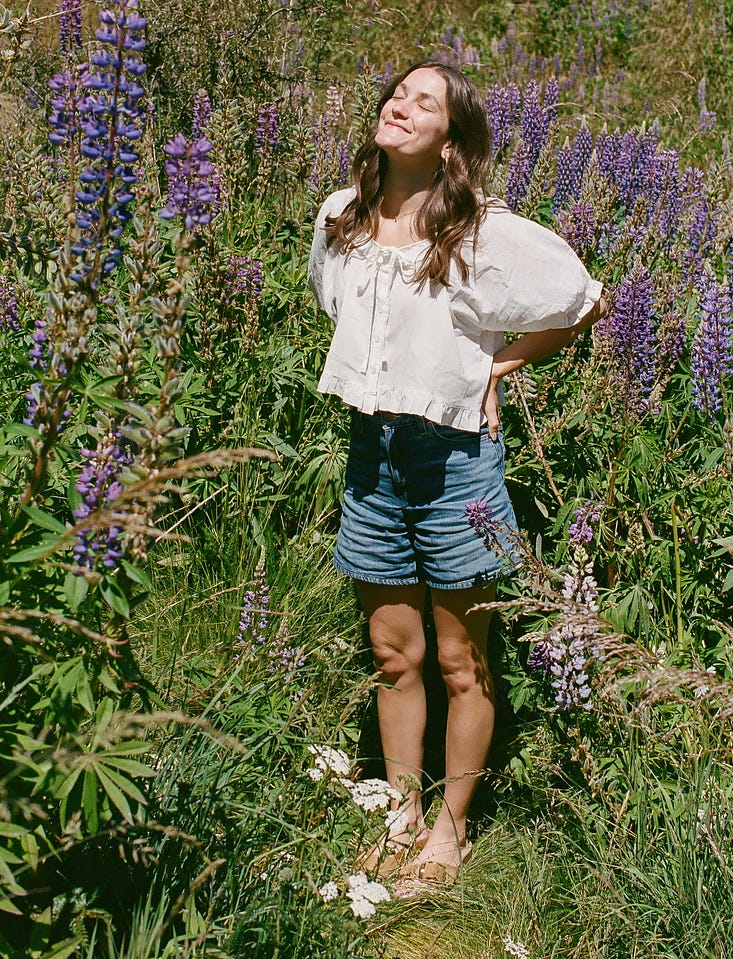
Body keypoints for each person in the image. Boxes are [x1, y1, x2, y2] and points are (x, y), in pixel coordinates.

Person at [307, 58, 605, 889]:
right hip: (372, 455)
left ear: (450, 142)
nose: (400, 105)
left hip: (456, 464)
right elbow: (346, 318)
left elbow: (584, 300)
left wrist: (495, 368)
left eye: (424, 102)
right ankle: (400, 814)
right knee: (392, 653)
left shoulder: (481, 233)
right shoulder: (340, 217)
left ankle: (451, 829)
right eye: (397, 93)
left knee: (459, 660)